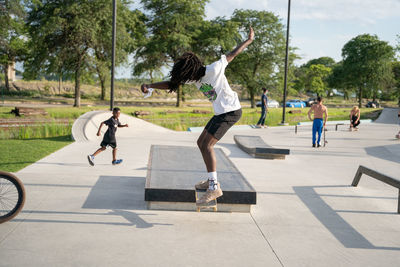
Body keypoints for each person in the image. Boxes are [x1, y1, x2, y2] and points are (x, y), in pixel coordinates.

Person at [140, 27, 255, 205]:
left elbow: (233, 53)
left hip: (231, 111)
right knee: (200, 143)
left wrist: (248, 41)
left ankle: (214, 187)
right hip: (220, 112)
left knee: (208, 145)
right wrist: (151, 85)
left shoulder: (215, 68)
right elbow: (171, 83)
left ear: (193, 70)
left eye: (188, 77)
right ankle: (211, 179)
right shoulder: (192, 77)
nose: (189, 80)